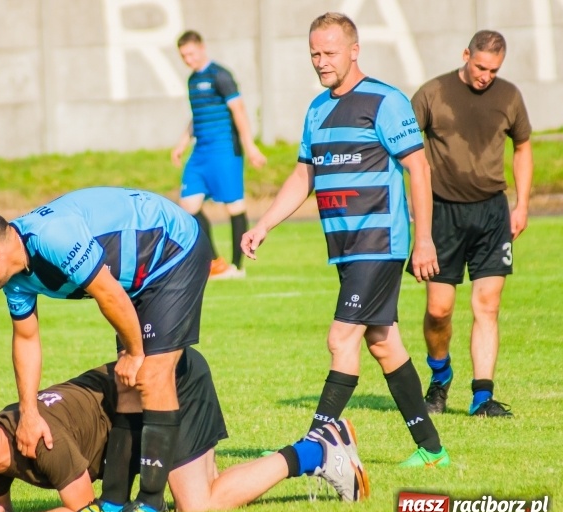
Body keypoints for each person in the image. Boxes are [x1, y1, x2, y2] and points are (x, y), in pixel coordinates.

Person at [241, 12, 450, 467]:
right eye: (314, 53)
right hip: (345, 248)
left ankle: (314, 447)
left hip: (379, 240)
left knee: (341, 339)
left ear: (354, 50)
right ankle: (432, 449)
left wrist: (424, 240)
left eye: (329, 52)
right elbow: (304, 175)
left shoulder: (385, 101)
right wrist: (263, 224)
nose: (320, 61)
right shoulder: (316, 109)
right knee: (383, 342)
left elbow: (419, 168)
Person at [0, 187, 213, 512]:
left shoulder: (54, 239)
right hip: (134, 280)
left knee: (151, 374)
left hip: (172, 252)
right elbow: (26, 339)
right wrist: (29, 414)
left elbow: (108, 293)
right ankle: (114, 499)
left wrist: (134, 351)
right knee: (126, 384)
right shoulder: (13, 277)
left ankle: (152, 502)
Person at [0, 348, 369, 512]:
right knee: (197, 496)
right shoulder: (1, 438)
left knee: (199, 506)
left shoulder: (43, 441)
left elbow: (86, 510)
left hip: (169, 384)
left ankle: (317, 450)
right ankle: (317, 451)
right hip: (147, 395)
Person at [407, 30, 532, 418]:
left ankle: (482, 396)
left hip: (492, 213)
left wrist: (522, 204)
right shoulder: (432, 94)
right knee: (439, 310)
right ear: (466, 55)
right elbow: (407, 154)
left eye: (494, 69)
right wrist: (416, 216)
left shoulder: (509, 96)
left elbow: (523, 146)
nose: (485, 76)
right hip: (443, 213)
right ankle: (440, 377)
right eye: (480, 67)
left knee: (487, 306)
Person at [172, 30, 267, 280]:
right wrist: (182, 143)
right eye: (183, 56)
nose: (188, 59)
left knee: (234, 205)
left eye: (191, 53)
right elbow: (198, 115)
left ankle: (238, 266)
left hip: (225, 150)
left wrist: (250, 146)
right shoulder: (192, 81)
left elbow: (239, 111)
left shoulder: (220, 75)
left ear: (202, 48)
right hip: (200, 152)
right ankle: (216, 262)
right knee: (188, 205)